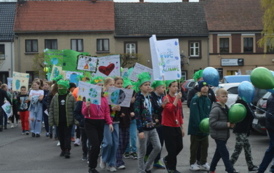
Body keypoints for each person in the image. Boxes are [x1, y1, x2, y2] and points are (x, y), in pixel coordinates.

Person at [82, 78, 113, 173]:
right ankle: (92, 167)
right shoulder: (88, 98)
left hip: (100, 122)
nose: (100, 87)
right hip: (90, 122)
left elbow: (106, 112)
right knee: (95, 144)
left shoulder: (104, 99)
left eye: (101, 86)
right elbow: (84, 113)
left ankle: (93, 163)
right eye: (97, 86)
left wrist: (110, 123)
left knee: (98, 145)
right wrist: (87, 106)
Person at [134, 72, 161, 173]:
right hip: (143, 129)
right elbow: (137, 115)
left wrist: (163, 105)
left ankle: (147, 166)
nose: (148, 86)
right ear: (140, 87)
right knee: (142, 151)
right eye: (145, 85)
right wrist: (140, 130)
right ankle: (141, 170)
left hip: (152, 127)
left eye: (149, 84)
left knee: (158, 147)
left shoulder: (150, 97)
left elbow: (156, 109)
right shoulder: (138, 98)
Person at [209, 88, 238, 173]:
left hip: (224, 135)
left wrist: (232, 123)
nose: (225, 98)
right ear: (217, 97)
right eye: (223, 96)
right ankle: (230, 170)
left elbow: (228, 118)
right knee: (225, 154)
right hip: (218, 135)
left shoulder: (225, 107)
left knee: (218, 154)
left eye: (226, 96)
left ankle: (211, 169)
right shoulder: (216, 109)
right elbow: (212, 123)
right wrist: (227, 124)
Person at [188, 80, 211, 171]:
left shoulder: (208, 99)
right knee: (194, 147)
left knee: (205, 146)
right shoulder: (195, 99)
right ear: (199, 88)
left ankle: (203, 162)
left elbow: (208, 114)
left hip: (205, 128)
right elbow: (195, 115)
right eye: (203, 86)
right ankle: (192, 163)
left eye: (206, 86)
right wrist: (199, 126)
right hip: (196, 128)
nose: (205, 87)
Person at [230, 97, 258, 172]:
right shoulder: (241, 103)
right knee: (238, 148)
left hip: (245, 130)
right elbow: (250, 114)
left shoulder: (247, 103)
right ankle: (229, 166)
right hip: (240, 130)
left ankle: (250, 166)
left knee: (247, 148)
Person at [162, 80, 184, 173]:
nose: (175, 88)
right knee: (172, 148)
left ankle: (167, 159)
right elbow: (171, 109)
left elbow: (179, 113)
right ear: (169, 87)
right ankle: (172, 168)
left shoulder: (177, 99)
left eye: (176, 86)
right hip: (168, 125)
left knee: (180, 146)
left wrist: (181, 127)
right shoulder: (166, 98)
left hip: (176, 125)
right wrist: (176, 99)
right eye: (173, 86)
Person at [49, 80, 75, 159]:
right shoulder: (55, 97)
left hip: (68, 120)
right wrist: (51, 120)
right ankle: (63, 149)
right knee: (61, 136)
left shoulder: (71, 97)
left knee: (67, 136)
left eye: (62, 87)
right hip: (58, 120)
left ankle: (67, 150)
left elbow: (75, 109)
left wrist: (75, 120)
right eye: (59, 87)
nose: (60, 88)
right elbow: (51, 109)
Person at [100, 76, 121, 172]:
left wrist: (119, 109)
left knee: (115, 143)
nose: (112, 86)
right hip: (106, 122)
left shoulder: (117, 95)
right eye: (110, 85)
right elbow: (102, 110)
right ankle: (104, 158)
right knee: (108, 142)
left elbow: (120, 109)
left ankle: (112, 164)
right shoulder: (103, 96)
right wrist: (111, 109)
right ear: (106, 85)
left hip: (115, 121)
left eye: (113, 85)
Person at [145, 80, 167, 169]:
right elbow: (154, 109)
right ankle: (147, 155)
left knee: (161, 142)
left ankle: (157, 160)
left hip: (162, 122)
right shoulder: (151, 96)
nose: (164, 89)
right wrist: (163, 105)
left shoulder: (162, 96)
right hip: (154, 122)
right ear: (157, 88)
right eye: (162, 87)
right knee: (153, 142)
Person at [257, 93, 274, 173]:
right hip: (272, 128)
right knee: (271, 149)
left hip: (271, 127)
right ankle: (261, 169)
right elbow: (269, 115)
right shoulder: (272, 99)